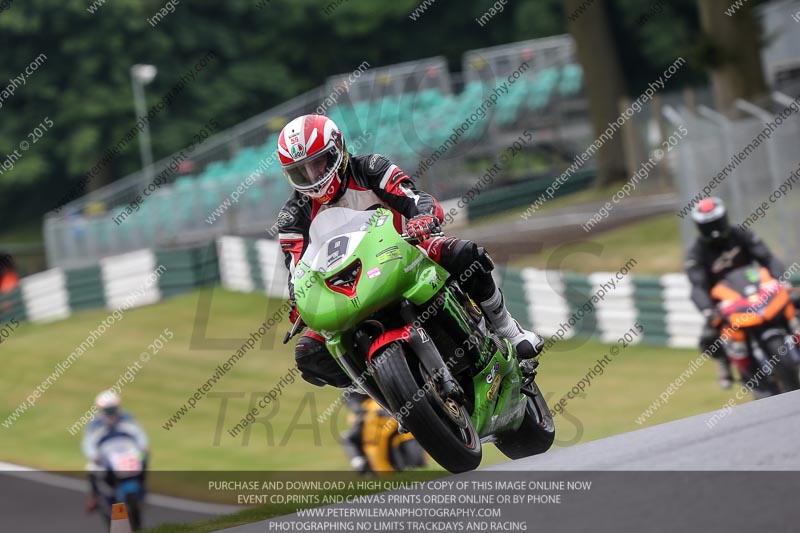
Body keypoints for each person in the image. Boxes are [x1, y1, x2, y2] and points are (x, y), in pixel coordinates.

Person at [275, 114, 543, 389]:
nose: (312, 177)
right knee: (310, 353)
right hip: (346, 287)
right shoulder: (291, 217)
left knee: (463, 253)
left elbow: (415, 198)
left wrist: (423, 217)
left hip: (406, 252)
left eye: (318, 164)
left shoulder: (370, 167)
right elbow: (296, 271)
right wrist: (298, 302)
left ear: (338, 152)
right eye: (301, 171)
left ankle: (508, 329)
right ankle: (386, 391)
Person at [685, 197, 794, 388]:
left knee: (794, 300)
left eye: (716, 223)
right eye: (708, 225)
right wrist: (708, 311)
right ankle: (725, 362)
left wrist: (781, 280)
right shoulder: (695, 252)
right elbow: (697, 286)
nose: (714, 229)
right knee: (708, 338)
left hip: (757, 290)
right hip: (724, 303)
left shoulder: (741, 233)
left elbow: (767, 257)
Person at [81, 390, 149, 513]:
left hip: (128, 454)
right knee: (91, 468)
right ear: (101, 410)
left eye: (113, 409)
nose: (111, 413)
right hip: (107, 457)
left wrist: (143, 447)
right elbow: (88, 443)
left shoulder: (127, 419)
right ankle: (94, 496)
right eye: (108, 410)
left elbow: (139, 434)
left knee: (144, 458)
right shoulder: (95, 425)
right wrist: (93, 455)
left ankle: (142, 487)